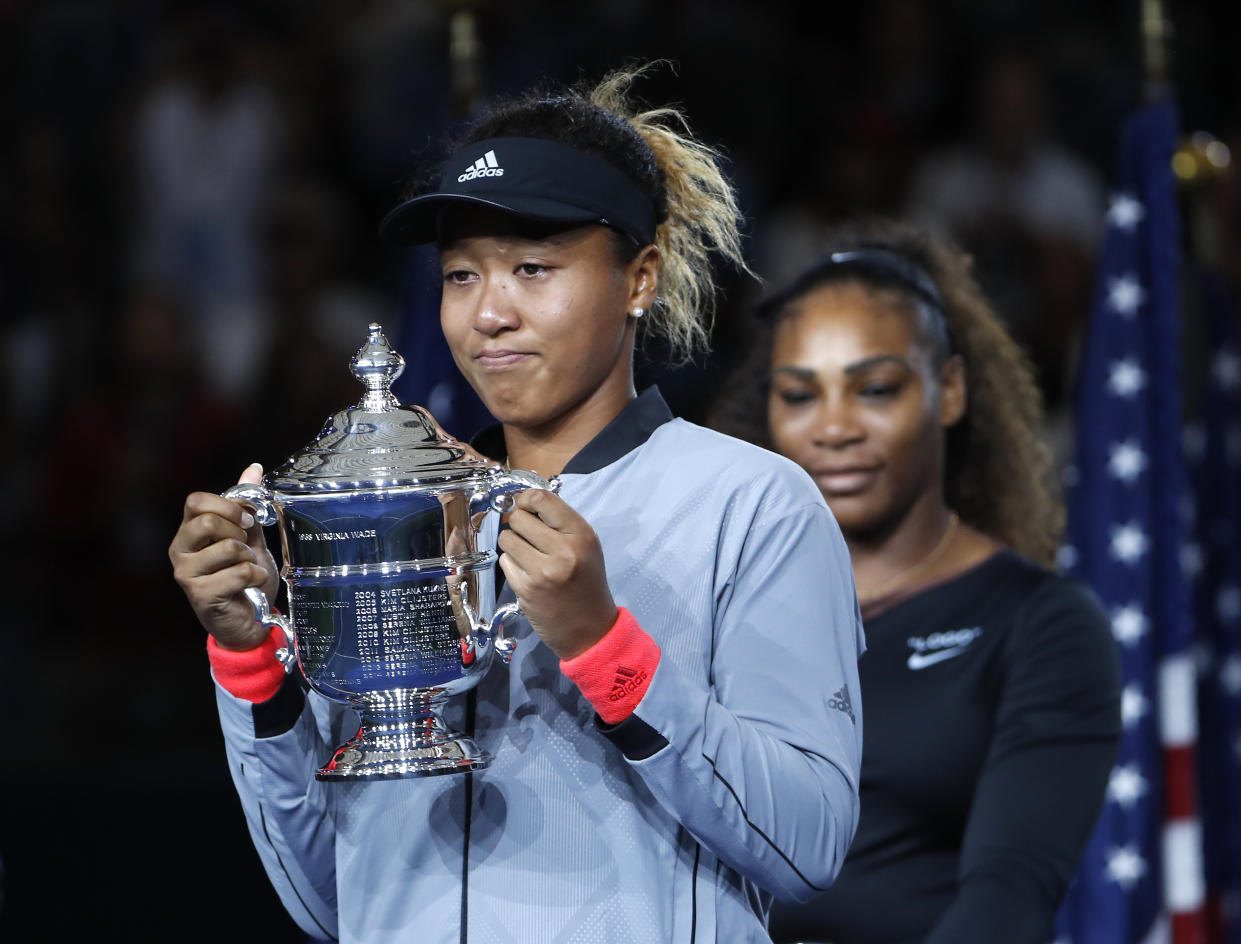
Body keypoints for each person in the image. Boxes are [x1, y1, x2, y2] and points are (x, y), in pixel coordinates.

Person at [168, 66, 864, 944]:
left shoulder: (753, 505)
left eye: (533, 269)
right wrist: (253, 661)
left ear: (638, 279)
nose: (487, 313)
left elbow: (806, 848)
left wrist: (607, 649)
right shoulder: (400, 520)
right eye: (461, 277)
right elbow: (331, 901)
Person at [710, 219, 1121, 944]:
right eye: (800, 395)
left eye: (873, 389)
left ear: (950, 389)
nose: (832, 428)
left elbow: (1008, 893)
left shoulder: (1041, 623)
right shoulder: (718, 604)